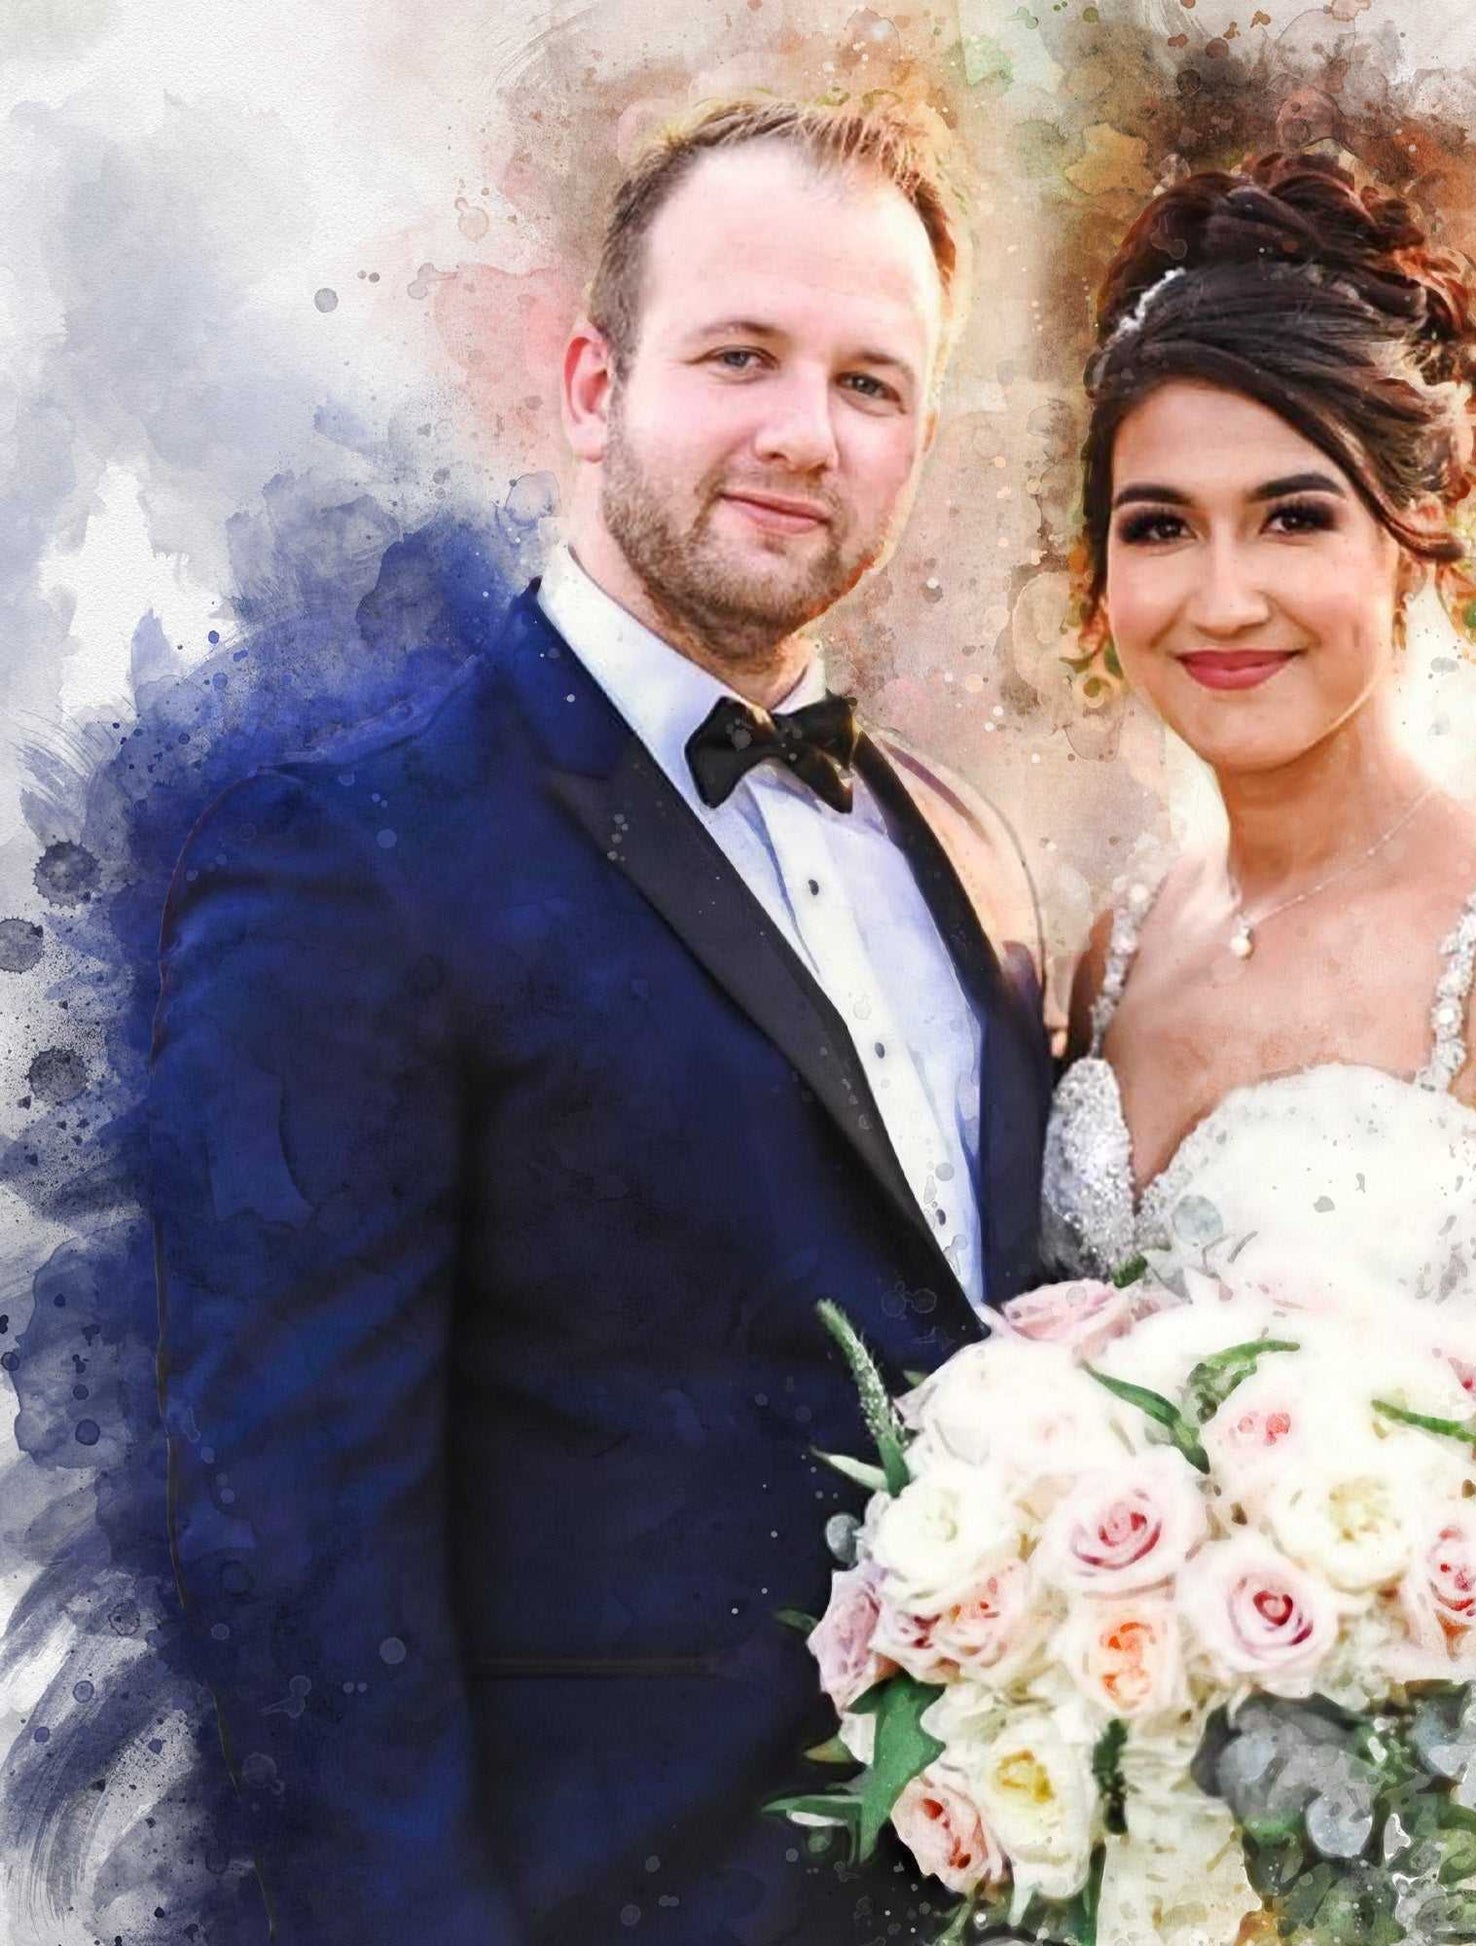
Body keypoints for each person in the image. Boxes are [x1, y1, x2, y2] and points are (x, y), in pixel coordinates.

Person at [149, 98, 1051, 1945]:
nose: (805, 435)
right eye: (740, 357)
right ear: (588, 382)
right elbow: (296, 1579)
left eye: (871, 385)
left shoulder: (970, 856)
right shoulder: (355, 862)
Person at [1037, 148, 1476, 1941]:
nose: (1220, 597)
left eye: (1294, 516)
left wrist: (1389, 1715)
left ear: (1412, 537)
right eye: (1156, 523)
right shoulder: (1115, 948)